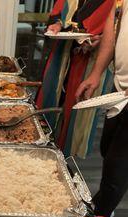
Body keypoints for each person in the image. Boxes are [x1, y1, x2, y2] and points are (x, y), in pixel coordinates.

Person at [36, 0, 114, 158]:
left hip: (92, 56)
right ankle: (39, 142)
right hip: (63, 50)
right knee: (50, 96)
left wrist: (104, 37)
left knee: (77, 107)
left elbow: (117, 26)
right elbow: (60, 10)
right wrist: (57, 24)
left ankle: (63, 156)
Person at [76, 1, 127, 217]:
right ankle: (105, 200)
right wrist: (96, 73)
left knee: (119, 162)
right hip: (120, 86)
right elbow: (112, 31)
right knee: (107, 148)